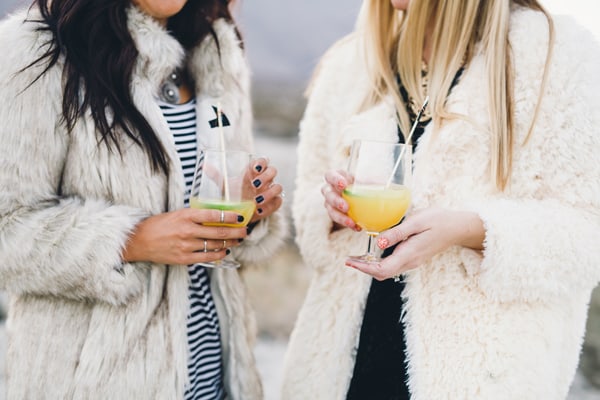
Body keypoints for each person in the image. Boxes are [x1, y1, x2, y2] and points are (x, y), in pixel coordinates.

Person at [282, 0, 600, 399]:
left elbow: (589, 231)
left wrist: (472, 230)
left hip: (480, 378)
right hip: (337, 375)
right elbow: (311, 221)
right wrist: (331, 208)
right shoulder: (351, 64)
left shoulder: (554, 55)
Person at [0, 0, 287, 399]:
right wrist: (132, 239)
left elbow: (227, 206)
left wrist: (251, 214)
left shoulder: (217, 49)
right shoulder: (35, 50)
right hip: (95, 383)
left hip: (217, 377)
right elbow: (6, 228)